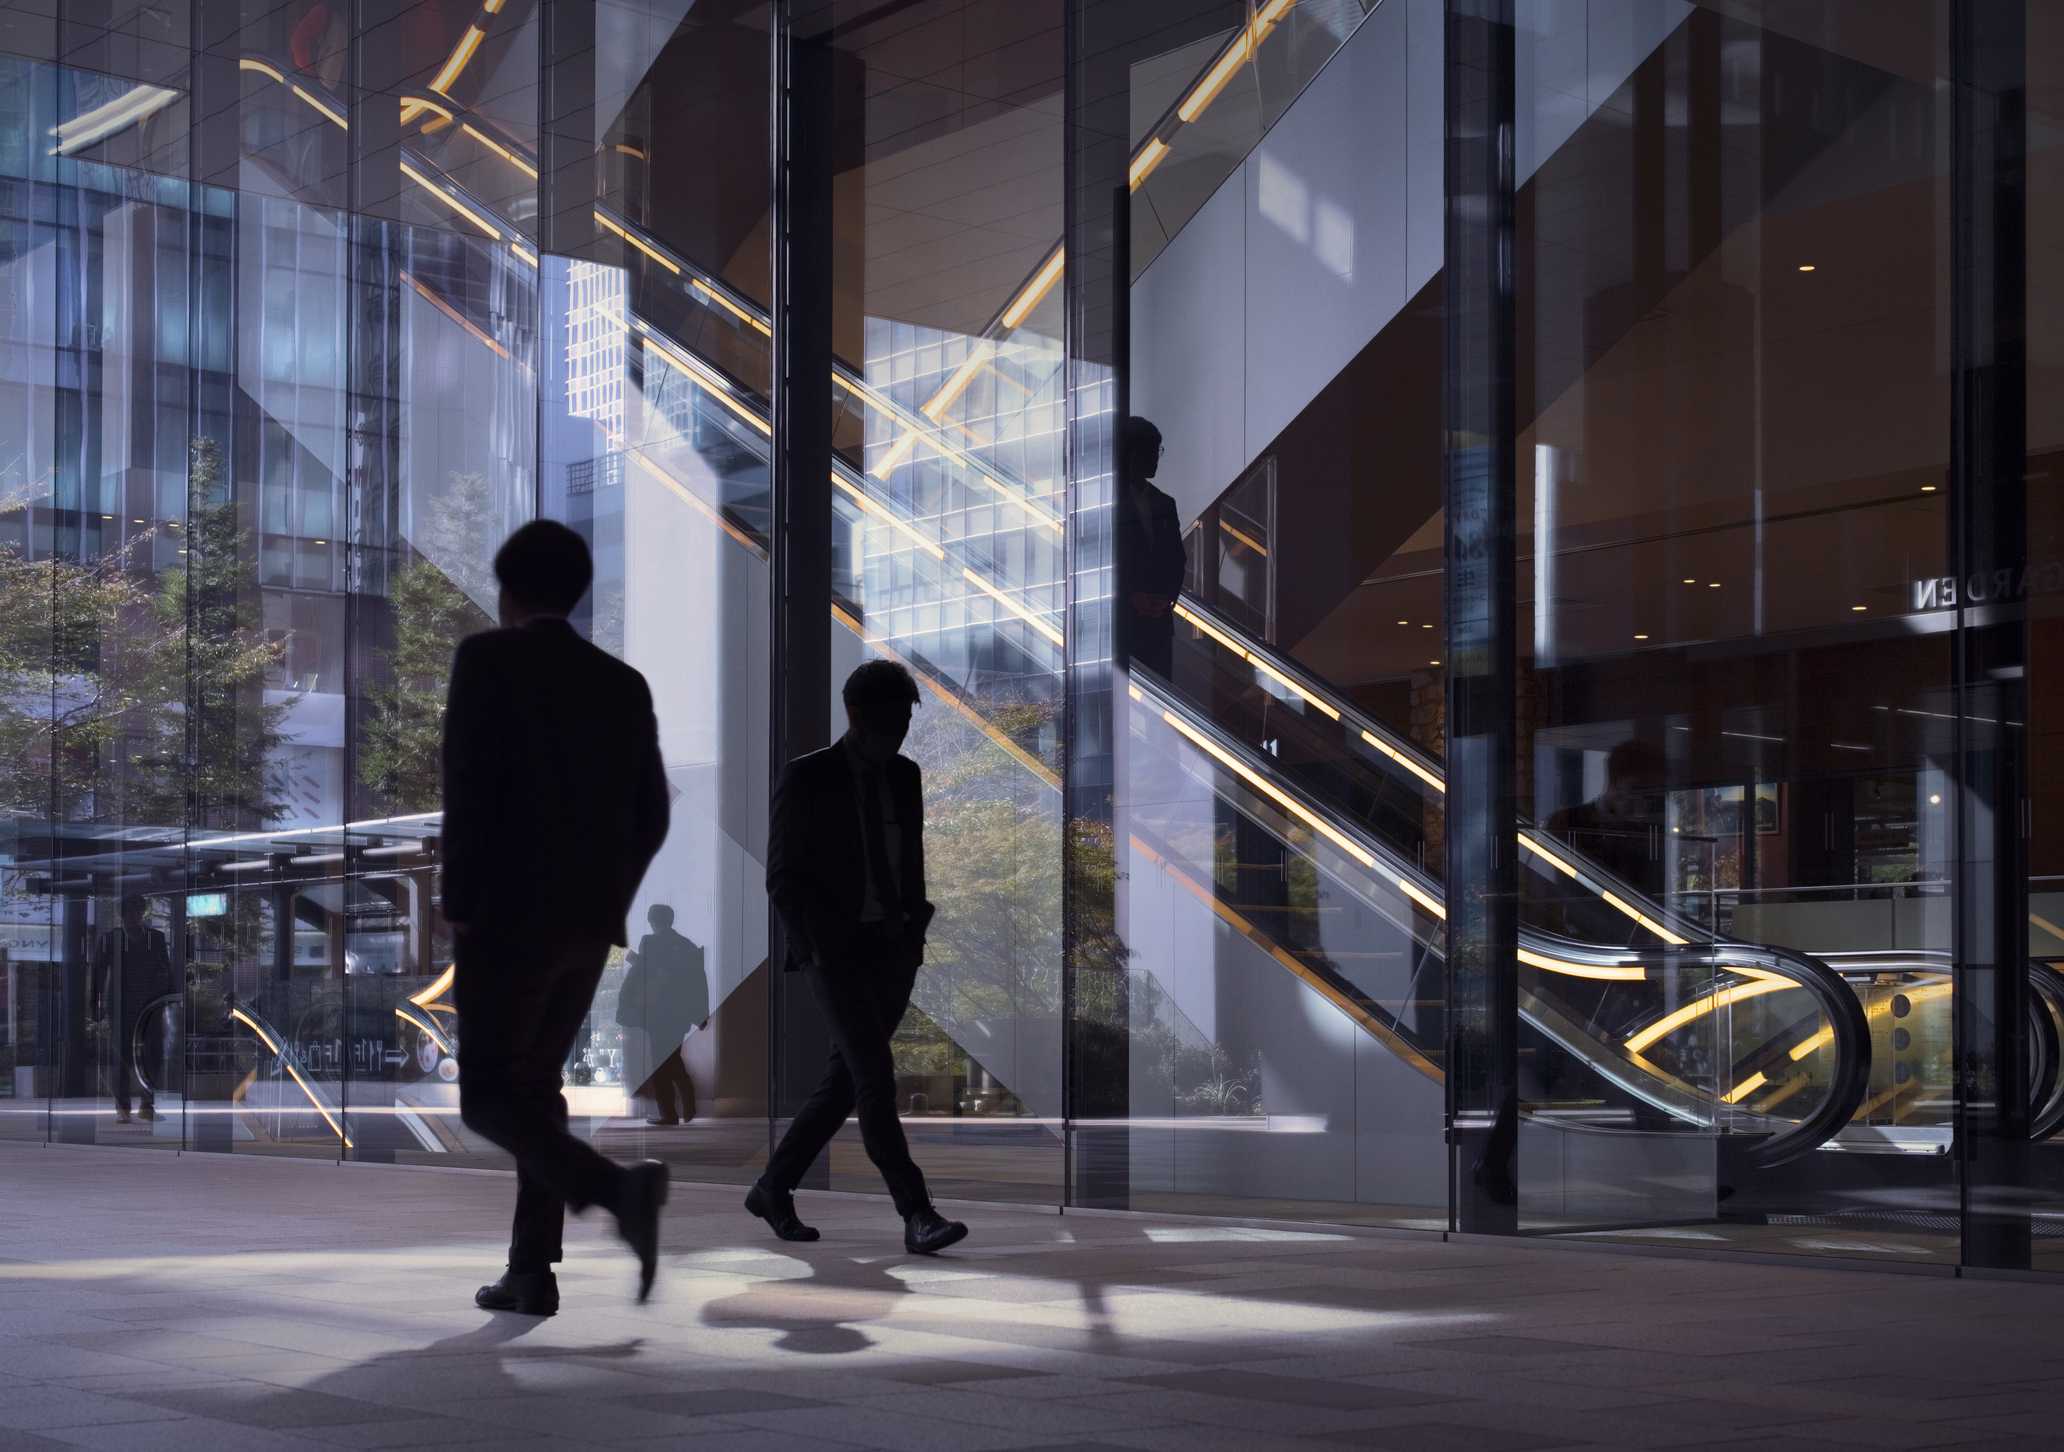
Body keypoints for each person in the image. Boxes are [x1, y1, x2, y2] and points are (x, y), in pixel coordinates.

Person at [441, 520, 673, 1316]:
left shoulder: (488, 659)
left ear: (505, 588)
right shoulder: (623, 682)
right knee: (534, 1089)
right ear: (576, 592)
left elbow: (469, 789)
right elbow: (652, 818)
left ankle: (617, 1192)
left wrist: (460, 903)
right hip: (585, 927)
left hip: (505, 916)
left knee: (488, 1098)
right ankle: (531, 1270)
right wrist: (606, 903)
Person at [747, 659, 967, 1256]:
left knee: (845, 1081)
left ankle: (772, 1187)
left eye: (903, 726)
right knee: (874, 1076)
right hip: (834, 952)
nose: (894, 736)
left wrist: (914, 938)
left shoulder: (906, 776)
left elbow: (911, 864)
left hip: (893, 949)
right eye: (886, 724)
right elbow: (781, 876)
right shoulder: (808, 778)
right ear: (854, 715)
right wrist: (809, 945)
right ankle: (917, 1212)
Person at [618, 904, 709, 1126]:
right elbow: (697, 980)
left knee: (660, 1061)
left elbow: (643, 970)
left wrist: (626, 1004)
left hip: (657, 1011)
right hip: (680, 1013)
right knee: (670, 1056)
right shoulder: (686, 945)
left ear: (651, 920)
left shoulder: (650, 942)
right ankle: (682, 1095)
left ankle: (668, 1111)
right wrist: (700, 1014)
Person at [1115, 415, 1188, 680]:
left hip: (1157, 625)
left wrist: (1166, 596)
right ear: (1132, 452)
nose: (1157, 458)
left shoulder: (1165, 503)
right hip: (1120, 625)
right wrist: (1130, 596)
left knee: (1159, 702)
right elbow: (1098, 561)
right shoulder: (1105, 499)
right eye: (1151, 451)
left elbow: (1177, 559)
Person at [1548, 739, 1668, 900]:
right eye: (1640, 788)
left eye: (1654, 791)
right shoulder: (1569, 822)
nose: (1646, 798)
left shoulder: (1649, 830)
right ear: (1616, 781)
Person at [92, 894, 172, 1124]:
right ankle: (123, 1105)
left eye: (140, 912)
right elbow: (98, 973)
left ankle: (147, 1105)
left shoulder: (156, 938)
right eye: (132, 912)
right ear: (123, 915)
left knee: (152, 1055)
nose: (137, 916)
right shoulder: (110, 939)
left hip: (150, 1005)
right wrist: (94, 1004)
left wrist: (172, 999)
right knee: (123, 1056)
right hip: (121, 1006)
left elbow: (166, 968)